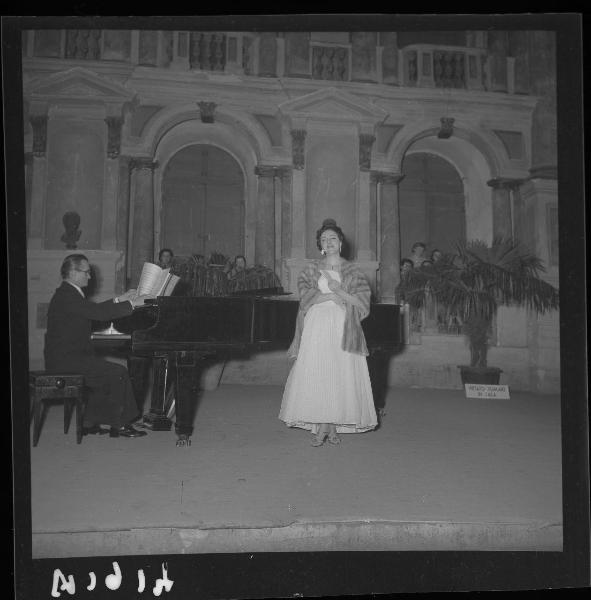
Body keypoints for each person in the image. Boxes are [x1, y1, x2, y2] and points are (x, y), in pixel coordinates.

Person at [279, 218, 377, 446]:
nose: (329, 242)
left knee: (339, 372)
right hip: (317, 324)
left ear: (341, 242)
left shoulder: (353, 271)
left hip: (344, 325)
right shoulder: (311, 269)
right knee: (320, 371)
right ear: (320, 245)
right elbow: (305, 298)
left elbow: (362, 304)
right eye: (324, 239)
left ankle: (330, 425)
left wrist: (339, 292)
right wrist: (330, 296)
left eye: (333, 238)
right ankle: (325, 425)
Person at [44, 254, 153, 438]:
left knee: (103, 374)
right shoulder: (68, 296)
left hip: (67, 357)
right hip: (66, 361)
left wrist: (120, 299)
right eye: (86, 272)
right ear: (72, 272)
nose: (90, 276)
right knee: (117, 372)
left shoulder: (68, 294)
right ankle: (121, 425)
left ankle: (89, 422)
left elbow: (92, 311)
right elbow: (98, 313)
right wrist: (133, 303)